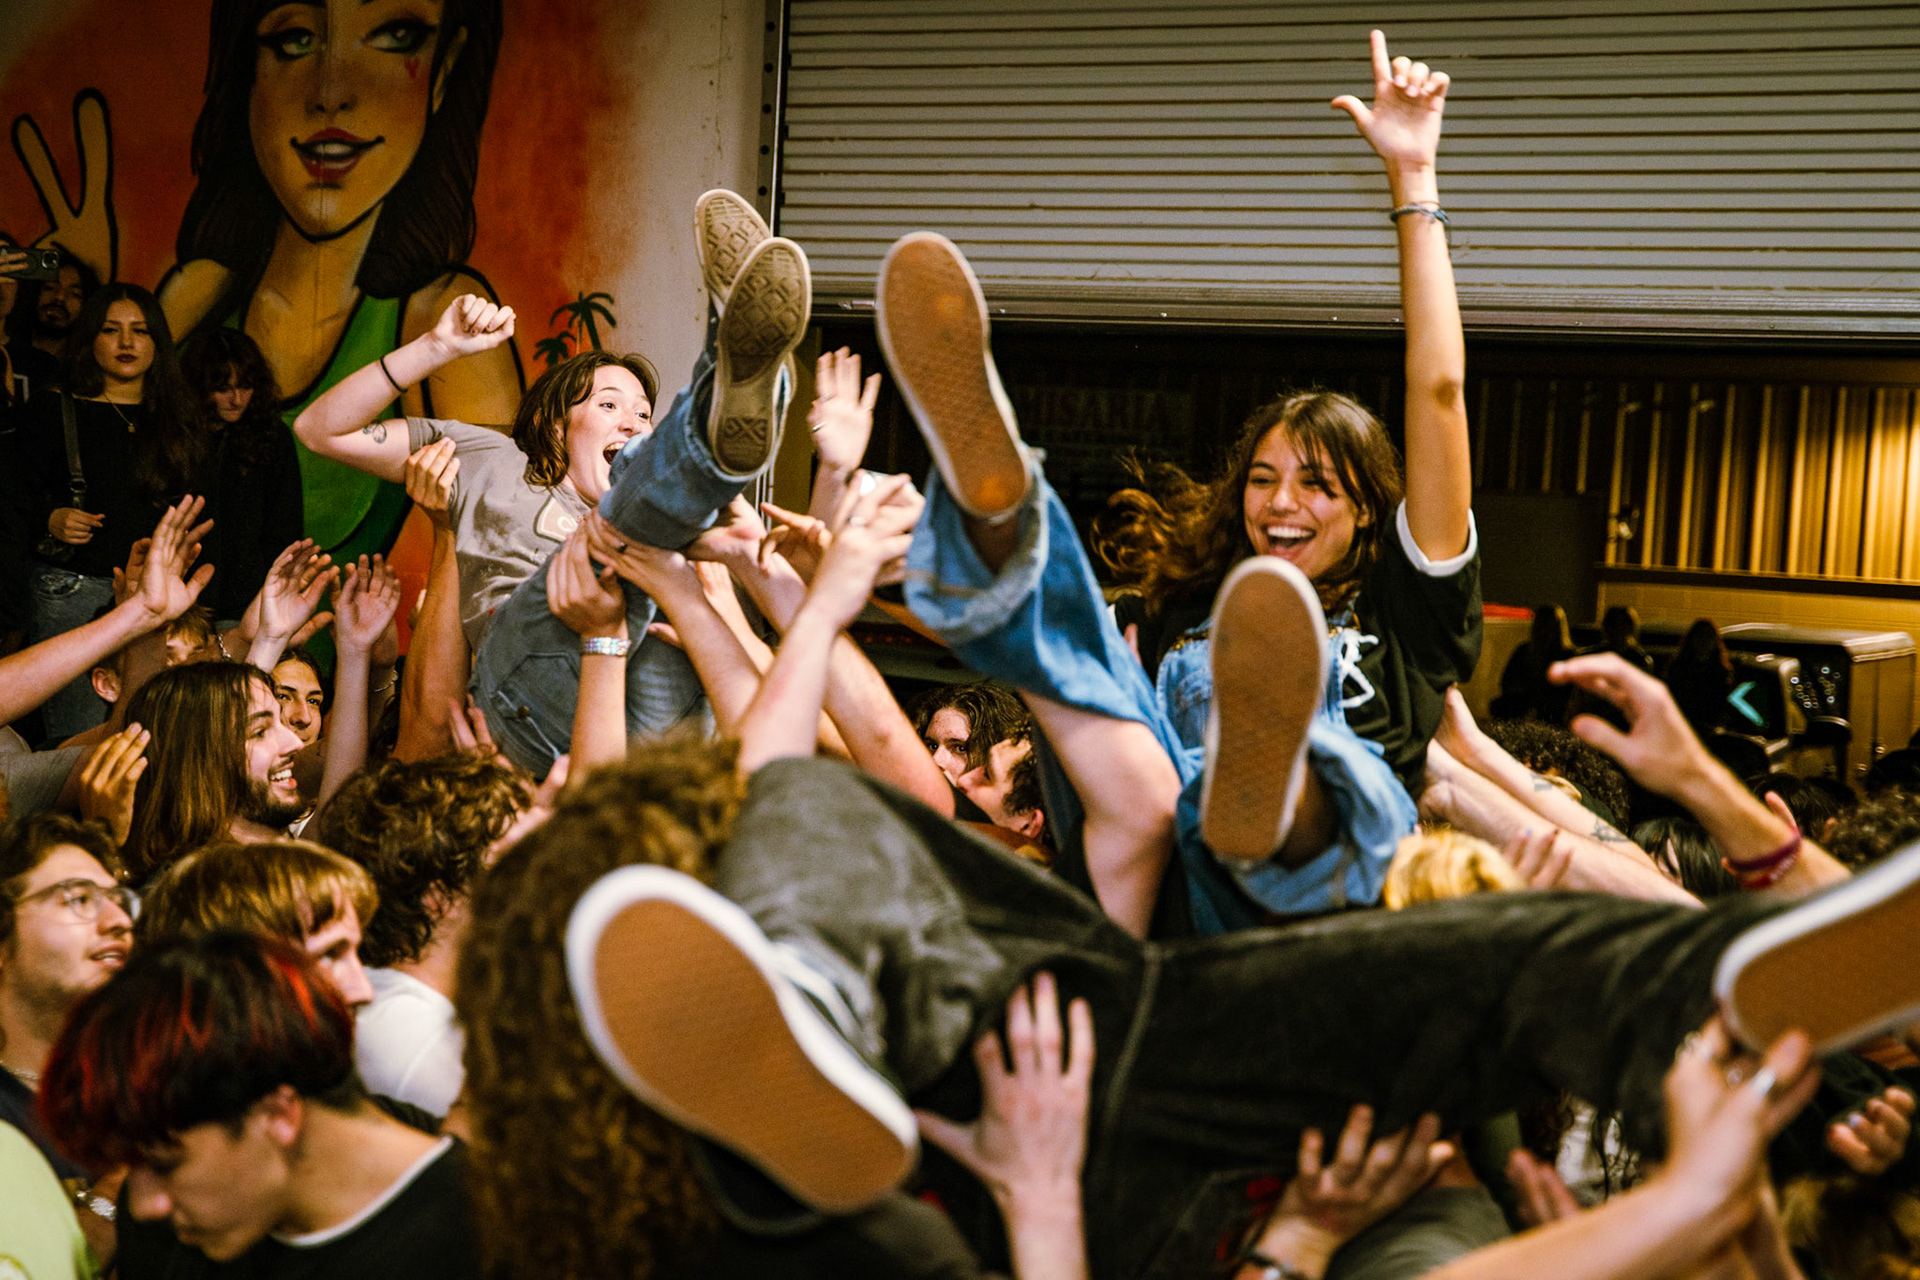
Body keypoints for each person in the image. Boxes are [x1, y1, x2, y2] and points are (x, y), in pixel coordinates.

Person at [295, 190, 811, 773]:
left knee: (683, 586)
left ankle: (730, 390)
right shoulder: (492, 461)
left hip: (654, 721)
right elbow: (322, 430)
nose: (632, 422)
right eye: (609, 404)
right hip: (532, 692)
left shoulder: (674, 512)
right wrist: (436, 346)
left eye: (644, 414)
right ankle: (726, 390)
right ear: (553, 424)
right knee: (641, 516)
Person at [140, 0, 519, 572]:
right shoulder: (198, 293)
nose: (332, 93)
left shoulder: (442, 315)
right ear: (248, 74)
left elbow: (494, 536)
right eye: (294, 39)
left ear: (444, 72)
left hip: (346, 628)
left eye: (394, 35)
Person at [39, 931, 482, 1276]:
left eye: (166, 1164)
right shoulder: (172, 1237)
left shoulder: (488, 1237)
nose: (143, 1204)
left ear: (278, 1114)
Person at [21, 284, 200, 740]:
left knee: (157, 732)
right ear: (89, 338)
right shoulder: (53, 406)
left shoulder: (178, 414)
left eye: (139, 331)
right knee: (78, 738)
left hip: (158, 594)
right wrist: (50, 518)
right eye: (110, 330)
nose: (126, 342)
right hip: (74, 589)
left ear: (157, 341)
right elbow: (14, 495)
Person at [316, 753, 531, 1118]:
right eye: (511, 862)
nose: (532, 878)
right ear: (440, 898)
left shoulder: (402, 999)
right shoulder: (418, 1043)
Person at [118, 663, 307, 882]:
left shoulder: (290, 868)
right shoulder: (190, 894)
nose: (295, 743)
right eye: (260, 732)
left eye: (281, 722)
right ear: (195, 763)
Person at [178, 327, 304, 624]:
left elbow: (285, 527)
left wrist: (269, 597)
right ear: (199, 388)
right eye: (223, 388)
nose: (237, 399)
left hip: (246, 603)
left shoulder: (272, 437)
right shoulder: (177, 437)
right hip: (182, 598)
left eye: (246, 386)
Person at [1491, 603, 1577, 724]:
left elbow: (1567, 692)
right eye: (1541, 625)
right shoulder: (1523, 650)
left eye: (1548, 625)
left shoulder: (1566, 655)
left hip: (1551, 706)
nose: (1544, 630)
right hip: (1524, 702)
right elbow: (1507, 680)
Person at [1664, 618, 1735, 739]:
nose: (1704, 641)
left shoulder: (1721, 672)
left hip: (1709, 734)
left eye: (1709, 637)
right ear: (1692, 639)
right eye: (1700, 636)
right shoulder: (1679, 669)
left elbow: (1724, 706)